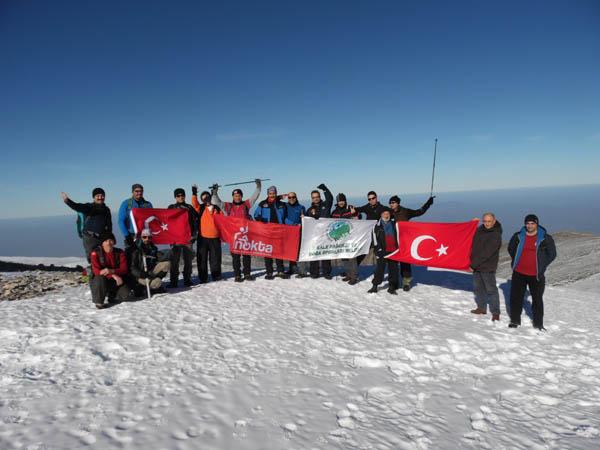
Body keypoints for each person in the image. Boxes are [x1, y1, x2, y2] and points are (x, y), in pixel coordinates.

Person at [507, 214, 557, 330]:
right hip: (519, 273)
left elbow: (552, 254)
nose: (529, 225)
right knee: (516, 297)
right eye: (527, 223)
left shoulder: (545, 238)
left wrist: (542, 265)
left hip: (536, 275)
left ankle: (538, 324)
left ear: (537, 224)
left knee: (537, 299)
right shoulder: (518, 236)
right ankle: (515, 320)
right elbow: (511, 248)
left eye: (532, 223)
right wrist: (517, 260)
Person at [212, 179, 262, 282]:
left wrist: (258, 187)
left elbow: (254, 197)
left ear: (241, 196)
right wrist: (215, 192)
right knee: (235, 257)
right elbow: (216, 202)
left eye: (239, 195)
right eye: (235, 196)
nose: (237, 197)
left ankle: (247, 273)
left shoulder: (246, 205)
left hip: (246, 235)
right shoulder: (228, 206)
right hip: (233, 236)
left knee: (246, 256)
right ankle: (237, 275)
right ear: (233, 197)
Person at [388, 194, 435, 291]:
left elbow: (419, 212)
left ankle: (406, 283)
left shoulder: (405, 211)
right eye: (390, 203)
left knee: (405, 262)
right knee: (393, 263)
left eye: (393, 202)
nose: (391, 204)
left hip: (404, 240)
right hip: (392, 241)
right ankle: (394, 283)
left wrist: (428, 203)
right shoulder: (388, 213)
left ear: (398, 203)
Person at [61, 188, 112, 262]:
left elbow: (109, 224)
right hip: (89, 238)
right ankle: (94, 271)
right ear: (94, 197)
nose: (100, 197)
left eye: (102, 195)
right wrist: (67, 201)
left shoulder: (106, 209)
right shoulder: (89, 207)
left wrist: (109, 236)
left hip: (102, 237)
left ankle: (100, 271)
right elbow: (77, 206)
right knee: (92, 258)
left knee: (103, 257)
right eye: (98, 196)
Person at [469, 212, 503, 321]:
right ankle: (481, 308)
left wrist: (473, 264)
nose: (487, 223)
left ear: (494, 221)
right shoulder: (481, 229)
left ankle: (496, 313)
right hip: (477, 266)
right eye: (485, 221)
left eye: (489, 221)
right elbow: (471, 235)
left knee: (491, 290)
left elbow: (487, 253)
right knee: (479, 289)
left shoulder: (496, 234)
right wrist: (472, 224)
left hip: (487, 267)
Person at [254, 186, 289, 279]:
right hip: (267, 231)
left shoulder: (282, 204)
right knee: (268, 251)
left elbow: (286, 217)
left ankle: (280, 271)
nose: (272, 195)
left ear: (276, 193)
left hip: (279, 230)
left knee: (279, 251)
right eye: (270, 193)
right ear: (268, 194)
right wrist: (261, 219)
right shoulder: (263, 204)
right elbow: (256, 214)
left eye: (273, 193)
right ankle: (269, 272)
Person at [89, 232, 130, 309]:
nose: (108, 243)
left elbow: (124, 269)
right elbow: (97, 271)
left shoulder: (120, 252)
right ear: (102, 243)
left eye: (110, 240)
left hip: (115, 281)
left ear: (114, 242)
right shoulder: (95, 253)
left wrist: (111, 271)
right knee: (99, 278)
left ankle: (112, 296)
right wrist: (112, 275)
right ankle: (99, 302)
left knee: (125, 293)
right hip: (100, 281)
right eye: (106, 241)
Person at [191, 184, 223, 283]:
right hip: (202, 237)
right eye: (203, 197)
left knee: (215, 258)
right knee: (202, 259)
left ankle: (216, 275)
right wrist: (194, 193)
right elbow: (194, 203)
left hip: (215, 237)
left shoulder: (217, 208)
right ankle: (203, 277)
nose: (206, 198)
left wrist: (214, 192)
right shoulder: (199, 207)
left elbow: (222, 221)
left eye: (207, 196)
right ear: (201, 199)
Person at [168, 188, 199, 287]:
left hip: (187, 238)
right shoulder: (171, 207)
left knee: (188, 260)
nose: (181, 197)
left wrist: (194, 235)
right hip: (175, 238)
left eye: (182, 195)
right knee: (174, 261)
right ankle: (173, 281)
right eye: (178, 196)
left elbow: (196, 221)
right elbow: (166, 221)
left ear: (185, 196)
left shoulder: (189, 207)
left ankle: (187, 279)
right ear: (175, 197)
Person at [129, 229, 171, 295]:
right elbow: (132, 268)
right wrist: (142, 274)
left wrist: (169, 253)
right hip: (139, 276)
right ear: (141, 237)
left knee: (167, 264)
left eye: (149, 237)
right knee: (157, 283)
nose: (147, 239)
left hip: (150, 272)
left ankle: (152, 284)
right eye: (144, 237)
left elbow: (159, 258)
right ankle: (147, 286)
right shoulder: (135, 249)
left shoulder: (153, 248)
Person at [305, 183, 334, 279]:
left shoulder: (326, 205)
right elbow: (307, 222)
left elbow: (330, 198)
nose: (316, 199)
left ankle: (327, 273)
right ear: (311, 198)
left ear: (320, 197)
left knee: (325, 253)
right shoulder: (309, 210)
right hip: (315, 235)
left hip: (326, 234)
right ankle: (314, 272)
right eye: (313, 197)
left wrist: (325, 189)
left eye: (317, 197)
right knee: (314, 253)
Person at [368, 209, 399, 294]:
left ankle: (392, 286)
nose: (386, 215)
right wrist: (378, 249)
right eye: (384, 213)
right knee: (380, 269)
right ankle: (375, 286)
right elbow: (374, 239)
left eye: (388, 213)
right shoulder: (377, 226)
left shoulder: (394, 224)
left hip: (393, 250)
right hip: (382, 250)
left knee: (394, 269)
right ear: (381, 215)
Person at [331, 193, 359, 285]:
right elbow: (331, 223)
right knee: (344, 257)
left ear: (345, 200)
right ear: (337, 202)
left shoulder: (350, 208)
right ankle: (348, 274)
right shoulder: (334, 212)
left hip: (351, 238)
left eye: (342, 201)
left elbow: (359, 219)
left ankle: (354, 276)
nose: (341, 202)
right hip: (341, 239)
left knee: (352, 257)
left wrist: (354, 213)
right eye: (339, 201)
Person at [118, 184, 153, 249]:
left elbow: (152, 220)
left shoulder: (148, 204)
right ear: (132, 192)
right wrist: (127, 236)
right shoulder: (126, 203)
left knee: (146, 257)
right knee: (132, 257)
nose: (139, 193)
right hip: (131, 235)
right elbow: (121, 221)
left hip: (145, 236)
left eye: (141, 191)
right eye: (137, 191)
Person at [283, 191, 306, 276]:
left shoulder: (301, 207)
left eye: (293, 197)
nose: (291, 199)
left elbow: (305, 220)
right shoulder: (284, 206)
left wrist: (301, 222)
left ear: (296, 198)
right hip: (289, 232)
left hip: (299, 232)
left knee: (300, 250)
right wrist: (281, 196)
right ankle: (292, 268)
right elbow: (282, 217)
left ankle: (302, 270)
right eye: (289, 197)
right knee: (291, 250)